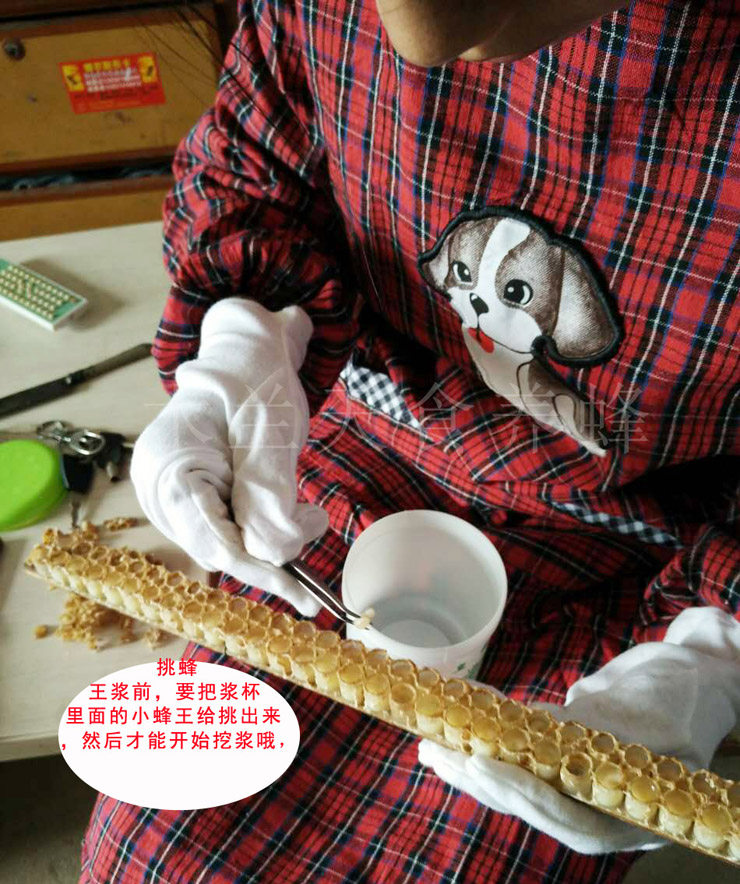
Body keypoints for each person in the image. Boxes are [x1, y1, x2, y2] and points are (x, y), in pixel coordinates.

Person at [80, 0, 740, 881]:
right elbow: (257, 171)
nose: (416, 38)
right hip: (359, 462)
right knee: (159, 845)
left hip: (647, 553)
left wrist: (708, 661)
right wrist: (241, 344)